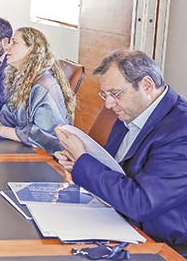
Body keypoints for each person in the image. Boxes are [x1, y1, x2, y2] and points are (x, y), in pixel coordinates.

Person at [55, 50, 187, 247]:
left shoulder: (180, 130)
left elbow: (141, 202)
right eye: (105, 95)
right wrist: (78, 163)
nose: (108, 104)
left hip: (159, 242)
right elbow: (115, 169)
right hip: (119, 220)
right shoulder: (130, 110)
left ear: (147, 85)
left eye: (115, 94)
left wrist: (84, 159)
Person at [0, 27, 75, 154]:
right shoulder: (21, 78)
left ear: (31, 49)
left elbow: (43, 136)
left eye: (14, 42)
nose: (7, 47)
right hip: (24, 150)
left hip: (46, 158)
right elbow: (8, 117)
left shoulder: (43, 86)